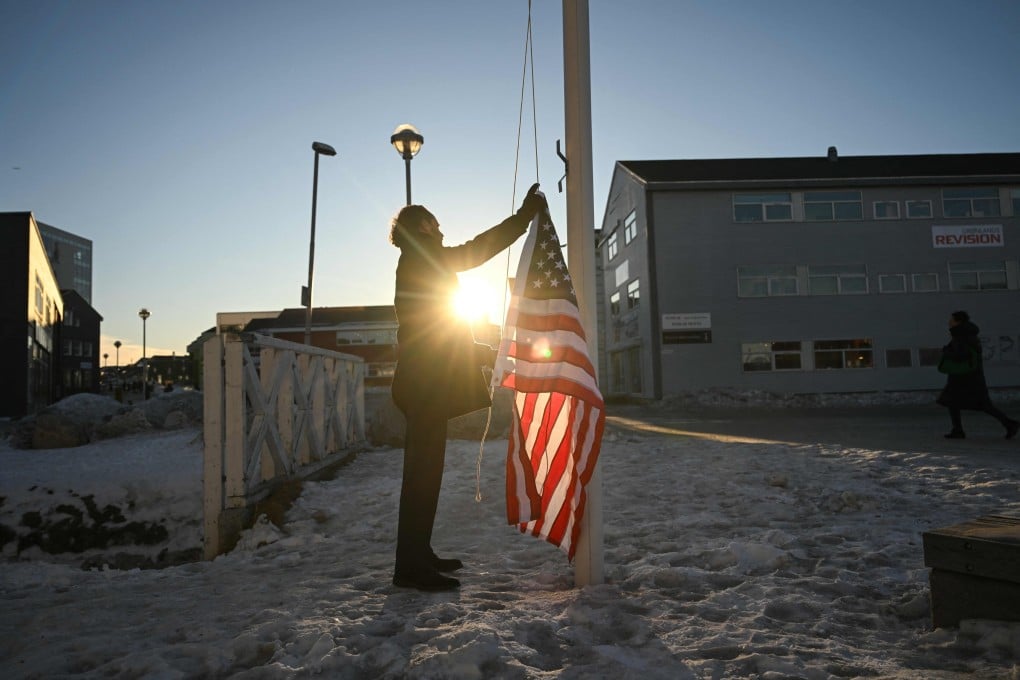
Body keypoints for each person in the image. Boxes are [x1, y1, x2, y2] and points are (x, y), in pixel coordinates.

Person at [388, 183, 545, 591]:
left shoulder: (419, 260)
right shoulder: (423, 257)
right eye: (434, 222)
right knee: (421, 478)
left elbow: (436, 330)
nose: (440, 228)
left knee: (427, 476)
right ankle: (409, 568)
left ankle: (418, 554)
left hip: (425, 385)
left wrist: (480, 351)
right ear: (421, 226)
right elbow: (478, 249)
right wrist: (524, 216)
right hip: (423, 388)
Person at [936, 310, 1019, 440]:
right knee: (954, 401)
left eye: (951, 319)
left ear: (958, 321)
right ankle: (958, 430)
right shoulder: (967, 333)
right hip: (968, 375)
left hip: (965, 376)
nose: (949, 321)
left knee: (979, 404)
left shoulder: (962, 335)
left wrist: (946, 351)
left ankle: (1010, 424)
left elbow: (961, 355)